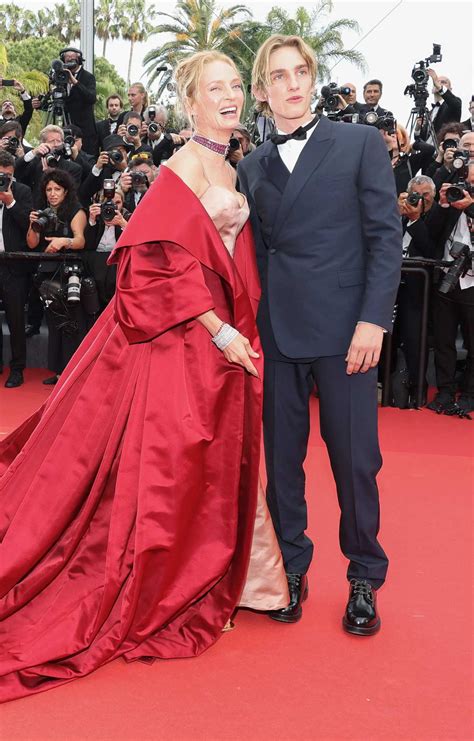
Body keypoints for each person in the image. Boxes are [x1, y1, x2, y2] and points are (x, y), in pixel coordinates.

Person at [0, 50, 288, 703]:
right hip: (176, 345)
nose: (231, 96)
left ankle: (238, 575)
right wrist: (220, 329)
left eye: (237, 86)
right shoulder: (181, 168)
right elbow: (148, 272)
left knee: (206, 464)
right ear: (189, 102)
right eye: (216, 88)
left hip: (221, 341)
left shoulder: (230, 164)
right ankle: (169, 576)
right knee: (164, 464)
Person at [238, 35, 402, 634]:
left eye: (300, 71)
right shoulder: (251, 164)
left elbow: (386, 238)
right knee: (282, 464)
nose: (292, 84)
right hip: (277, 332)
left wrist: (372, 321)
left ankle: (364, 576)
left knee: (355, 461)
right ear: (263, 90)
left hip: (345, 332)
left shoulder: (358, 142)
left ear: (313, 77)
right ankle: (289, 570)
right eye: (278, 76)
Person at [26, 169, 87, 385]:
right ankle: (60, 371)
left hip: (69, 273)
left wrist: (64, 241)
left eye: (57, 189)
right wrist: (32, 223)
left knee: (70, 323)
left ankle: (73, 373)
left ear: (66, 191)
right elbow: (32, 243)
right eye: (49, 189)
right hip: (46, 274)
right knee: (54, 324)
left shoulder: (75, 210)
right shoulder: (42, 212)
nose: (52, 193)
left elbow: (80, 241)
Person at [0, 150, 33, 388]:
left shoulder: (22, 192)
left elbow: (28, 227)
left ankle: (17, 368)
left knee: (16, 319)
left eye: (8, 176)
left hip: (14, 265)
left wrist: (10, 202)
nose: (4, 180)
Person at [58, 47, 99, 156]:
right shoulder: (61, 78)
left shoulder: (88, 77)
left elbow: (91, 98)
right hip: (67, 127)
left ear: (79, 59)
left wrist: (75, 82)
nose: (70, 59)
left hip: (85, 132)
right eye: (67, 57)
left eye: (73, 57)